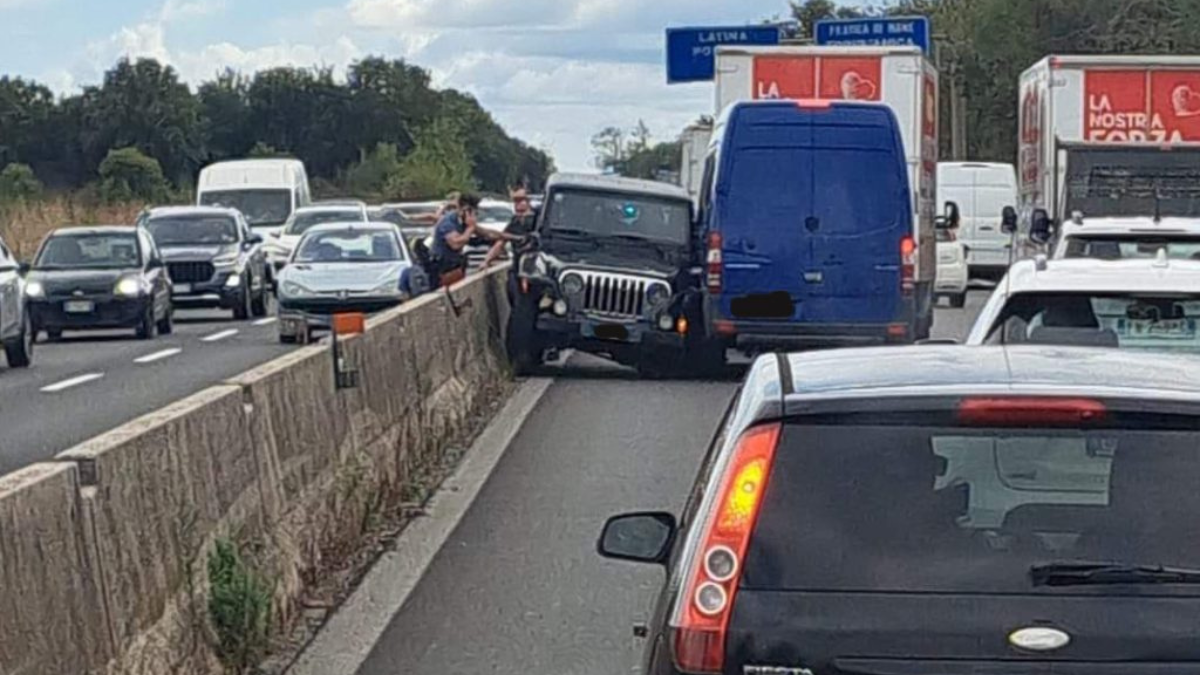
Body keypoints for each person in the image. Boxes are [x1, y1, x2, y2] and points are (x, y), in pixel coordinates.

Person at [430, 193, 480, 287]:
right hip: (441, 270)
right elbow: (456, 244)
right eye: (470, 211)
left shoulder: (463, 223)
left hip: (455, 269)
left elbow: (487, 234)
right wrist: (471, 228)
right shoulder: (448, 222)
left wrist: (508, 236)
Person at [481, 186, 537, 270]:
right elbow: (501, 242)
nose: (517, 204)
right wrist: (486, 261)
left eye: (520, 200)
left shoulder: (538, 218)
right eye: (515, 201)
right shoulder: (515, 221)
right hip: (518, 264)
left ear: (528, 200)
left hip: (535, 264)